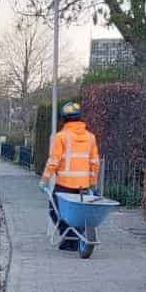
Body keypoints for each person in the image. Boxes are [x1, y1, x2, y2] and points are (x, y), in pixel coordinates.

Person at [42, 101, 101, 251]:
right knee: (80, 215)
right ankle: (75, 239)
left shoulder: (61, 137)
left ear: (64, 119)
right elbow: (95, 163)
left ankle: (69, 240)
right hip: (84, 186)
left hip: (64, 185)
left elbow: (53, 161)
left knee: (54, 211)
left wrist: (44, 180)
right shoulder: (91, 137)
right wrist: (92, 182)